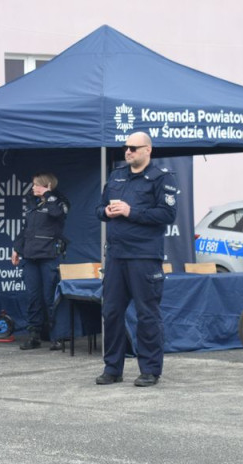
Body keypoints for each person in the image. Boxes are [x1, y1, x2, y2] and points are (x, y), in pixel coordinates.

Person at [94, 131, 178, 387]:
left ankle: (150, 369)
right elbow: (99, 209)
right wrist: (106, 212)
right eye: (125, 147)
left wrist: (132, 211)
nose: (128, 151)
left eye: (133, 147)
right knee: (111, 313)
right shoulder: (116, 175)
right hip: (117, 256)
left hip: (143, 256)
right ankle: (112, 368)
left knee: (147, 314)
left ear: (147, 150)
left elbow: (167, 214)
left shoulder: (161, 178)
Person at [12, 172, 69, 351]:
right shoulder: (32, 204)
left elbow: (56, 214)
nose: (33, 188)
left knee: (50, 297)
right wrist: (16, 248)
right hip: (30, 257)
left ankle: (57, 337)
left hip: (49, 257)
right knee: (33, 297)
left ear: (48, 186)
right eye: (33, 185)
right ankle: (34, 335)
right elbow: (25, 229)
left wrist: (48, 195)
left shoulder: (60, 202)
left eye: (37, 185)